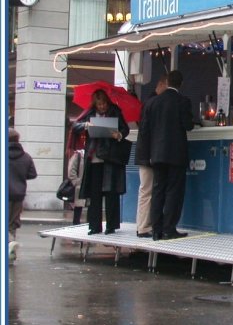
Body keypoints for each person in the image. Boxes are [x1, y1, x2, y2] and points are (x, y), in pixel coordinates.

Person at [138, 70, 194, 240]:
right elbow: (188, 125)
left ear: (167, 82)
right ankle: (169, 228)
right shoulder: (183, 101)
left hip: (156, 154)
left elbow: (145, 129)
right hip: (176, 154)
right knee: (173, 192)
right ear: (181, 84)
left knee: (158, 191)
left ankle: (156, 230)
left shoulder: (152, 102)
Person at [72, 89, 130, 235]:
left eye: (104, 103)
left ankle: (111, 226)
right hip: (94, 158)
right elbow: (75, 126)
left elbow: (125, 129)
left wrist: (119, 135)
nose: (102, 106)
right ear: (95, 103)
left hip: (110, 157)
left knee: (111, 192)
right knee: (94, 193)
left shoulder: (115, 111)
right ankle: (94, 226)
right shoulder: (89, 113)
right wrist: (86, 126)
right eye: (99, 104)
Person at [134, 74, 168, 238]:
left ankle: (142, 225)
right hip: (148, 154)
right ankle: (144, 226)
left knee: (145, 189)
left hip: (144, 153)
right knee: (147, 190)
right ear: (161, 85)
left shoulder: (148, 103)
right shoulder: (154, 104)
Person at [8, 128, 38, 262]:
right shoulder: (26, 156)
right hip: (19, 194)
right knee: (13, 223)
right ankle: (10, 247)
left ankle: (8, 246)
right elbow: (32, 174)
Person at [67, 135, 87, 225]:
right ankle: (75, 226)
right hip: (79, 186)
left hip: (88, 185)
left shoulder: (92, 155)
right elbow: (71, 171)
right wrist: (77, 182)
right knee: (78, 208)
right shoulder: (78, 155)